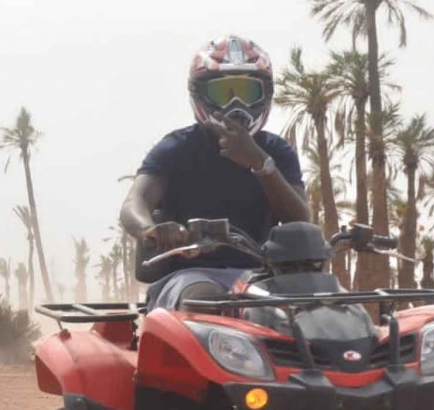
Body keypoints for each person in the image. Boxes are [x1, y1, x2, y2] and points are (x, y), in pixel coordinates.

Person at [118, 34, 309, 309]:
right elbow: (134, 203)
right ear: (200, 95)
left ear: (265, 95)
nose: (236, 104)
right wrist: (151, 229)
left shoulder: (276, 152)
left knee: (323, 308)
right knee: (206, 301)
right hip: (188, 276)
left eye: (247, 92)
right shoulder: (176, 148)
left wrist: (260, 164)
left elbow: (301, 221)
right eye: (223, 93)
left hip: (262, 279)